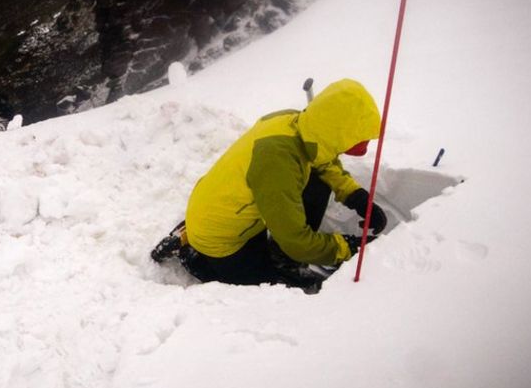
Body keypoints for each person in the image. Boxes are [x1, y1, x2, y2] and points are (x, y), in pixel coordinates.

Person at [152, 78, 388, 292]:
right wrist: (346, 247)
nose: (363, 143)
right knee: (272, 287)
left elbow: (321, 160)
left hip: (221, 201)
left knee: (318, 183)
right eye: (358, 137)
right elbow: (296, 240)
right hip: (222, 241)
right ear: (339, 132)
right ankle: (193, 252)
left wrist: (355, 195)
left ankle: (277, 251)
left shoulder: (296, 122)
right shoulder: (279, 162)